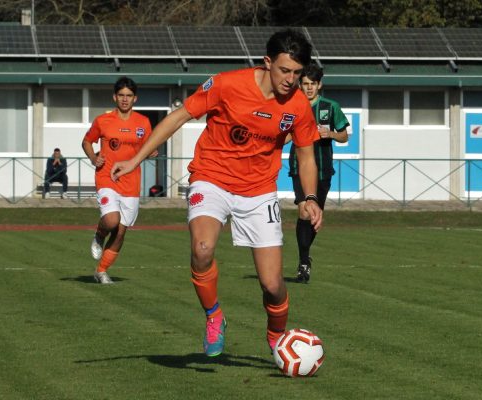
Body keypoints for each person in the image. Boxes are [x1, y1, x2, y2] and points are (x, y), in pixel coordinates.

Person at [111, 29, 323, 357]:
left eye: (297, 73)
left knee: (272, 284)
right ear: (267, 63)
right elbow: (179, 117)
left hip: (259, 191)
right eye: (284, 70)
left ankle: (277, 336)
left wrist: (309, 198)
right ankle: (214, 316)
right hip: (212, 177)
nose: (290, 80)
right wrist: (135, 158)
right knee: (203, 247)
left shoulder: (297, 105)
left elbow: (307, 154)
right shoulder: (226, 84)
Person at [81, 76, 156, 284]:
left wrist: (151, 152)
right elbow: (87, 141)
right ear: (115, 97)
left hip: (131, 182)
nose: (125, 99)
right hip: (107, 177)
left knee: (121, 231)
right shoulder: (103, 121)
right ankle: (99, 233)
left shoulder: (143, 122)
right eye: (121, 95)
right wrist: (94, 158)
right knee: (112, 220)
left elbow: (148, 146)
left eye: (129, 96)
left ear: (135, 99)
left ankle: (101, 271)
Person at [287, 62, 350, 283]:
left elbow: (344, 136)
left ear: (319, 85)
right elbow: (285, 135)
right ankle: (304, 262)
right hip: (298, 167)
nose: (309, 88)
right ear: (300, 85)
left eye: (312, 84)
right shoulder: (293, 106)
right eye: (305, 84)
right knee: (304, 211)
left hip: (323, 170)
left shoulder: (330, 106)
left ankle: (305, 257)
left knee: (313, 217)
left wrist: (330, 133)